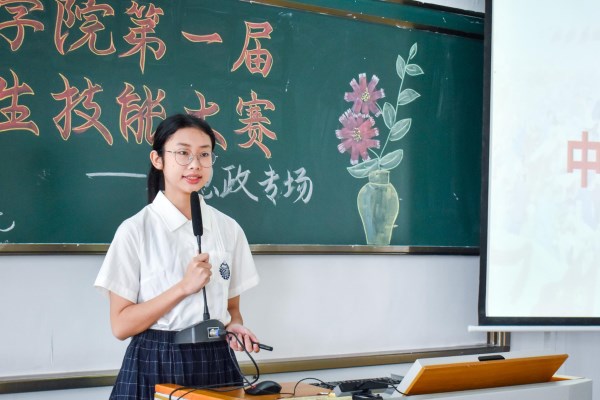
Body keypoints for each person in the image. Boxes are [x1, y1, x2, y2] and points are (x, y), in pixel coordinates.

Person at [94, 113, 261, 400]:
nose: (195, 164)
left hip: (217, 360)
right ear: (158, 159)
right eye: (183, 153)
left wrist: (234, 325)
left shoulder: (229, 228)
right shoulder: (135, 230)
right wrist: (183, 287)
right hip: (156, 359)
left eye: (204, 154)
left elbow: (232, 308)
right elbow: (121, 326)